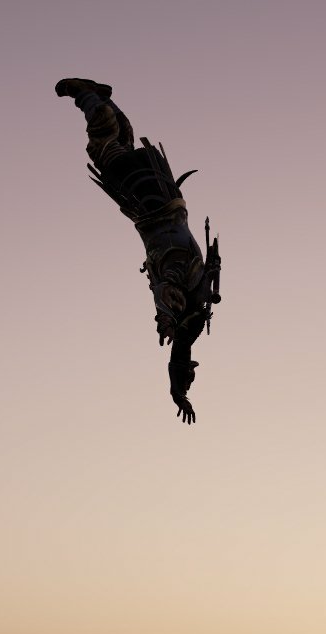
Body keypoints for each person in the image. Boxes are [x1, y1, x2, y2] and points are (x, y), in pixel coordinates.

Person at [56, 78, 220, 423]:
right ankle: (86, 95)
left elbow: (182, 349)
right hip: (150, 206)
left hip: (170, 205)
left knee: (122, 147)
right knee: (103, 149)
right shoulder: (179, 289)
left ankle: (102, 98)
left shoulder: (193, 287)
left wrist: (180, 389)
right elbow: (180, 345)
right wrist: (178, 388)